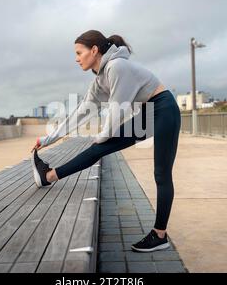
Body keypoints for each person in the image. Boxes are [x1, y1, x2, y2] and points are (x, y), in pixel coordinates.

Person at [30, 30, 181, 252]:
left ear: (94, 50)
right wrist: (48, 138)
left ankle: (160, 235)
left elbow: (117, 110)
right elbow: (81, 112)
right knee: (97, 148)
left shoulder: (117, 67)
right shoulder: (100, 78)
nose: (76, 58)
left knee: (161, 173)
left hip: (165, 109)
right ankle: (48, 176)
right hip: (149, 112)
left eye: (79, 52)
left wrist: (101, 137)